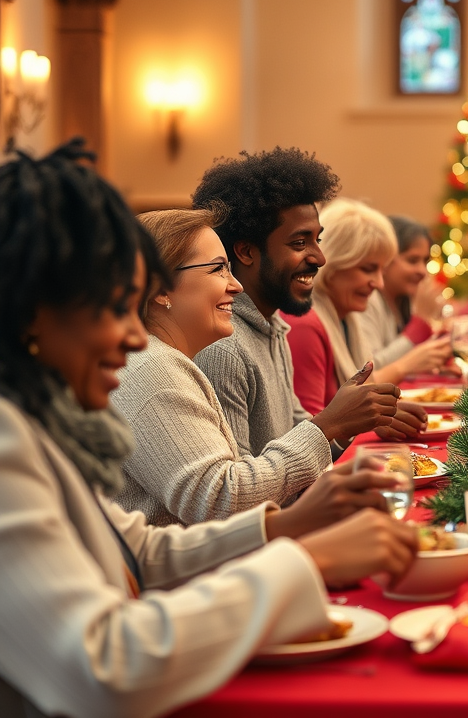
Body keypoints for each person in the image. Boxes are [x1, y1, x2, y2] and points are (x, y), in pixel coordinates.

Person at [0, 141, 418, 718]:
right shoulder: (9, 441)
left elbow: (138, 548)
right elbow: (100, 667)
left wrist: (289, 530)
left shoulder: (38, 422)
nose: (132, 337)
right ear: (33, 316)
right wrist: (307, 561)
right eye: (114, 309)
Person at [112, 209, 400, 527]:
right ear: (162, 288)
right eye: (218, 270)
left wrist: (341, 425)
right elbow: (221, 499)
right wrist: (327, 426)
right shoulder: (152, 369)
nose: (235, 285)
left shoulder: (166, 360)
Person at [191, 148, 422, 455]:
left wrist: (350, 427)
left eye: (318, 240)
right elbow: (239, 489)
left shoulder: (273, 326)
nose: (320, 258)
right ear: (246, 252)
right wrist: (333, 423)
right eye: (300, 243)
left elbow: (297, 433)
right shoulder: (226, 348)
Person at [284, 201, 446, 416]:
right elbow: (312, 434)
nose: (379, 283)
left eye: (381, 269)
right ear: (332, 264)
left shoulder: (345, 317)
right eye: (368, 269)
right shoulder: (305, 324)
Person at [355, 214, 453, 377]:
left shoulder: (403, 298)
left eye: (425, 261)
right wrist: (419, 325)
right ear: (385, 259)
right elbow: (366, 371)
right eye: (413, 260)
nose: (422, 271)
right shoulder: (367, 298)